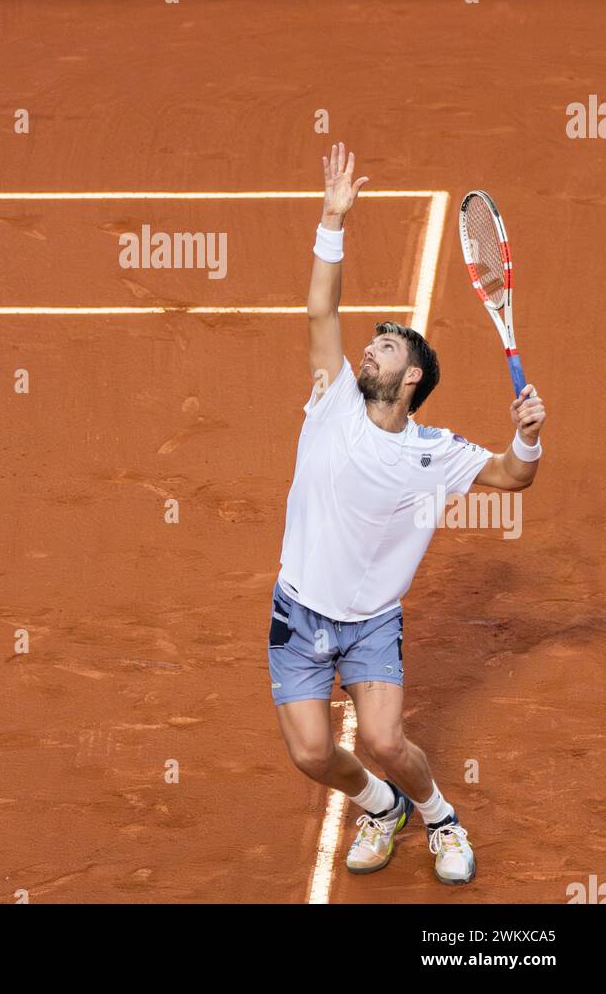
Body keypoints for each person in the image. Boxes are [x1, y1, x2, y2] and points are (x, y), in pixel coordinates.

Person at [268, 143, 546, 885]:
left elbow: (515, 476)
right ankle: (379, 805)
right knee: (311, 754)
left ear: (411, 374)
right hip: (298, 610)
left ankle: (438, 817)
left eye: (384, 346)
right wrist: (333, 221)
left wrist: (529, 431)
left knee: (387, 739)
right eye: (371, 342)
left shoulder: (437, 453)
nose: (368, 347)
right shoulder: (330, 397)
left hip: (370, 622)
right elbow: (321, 307)